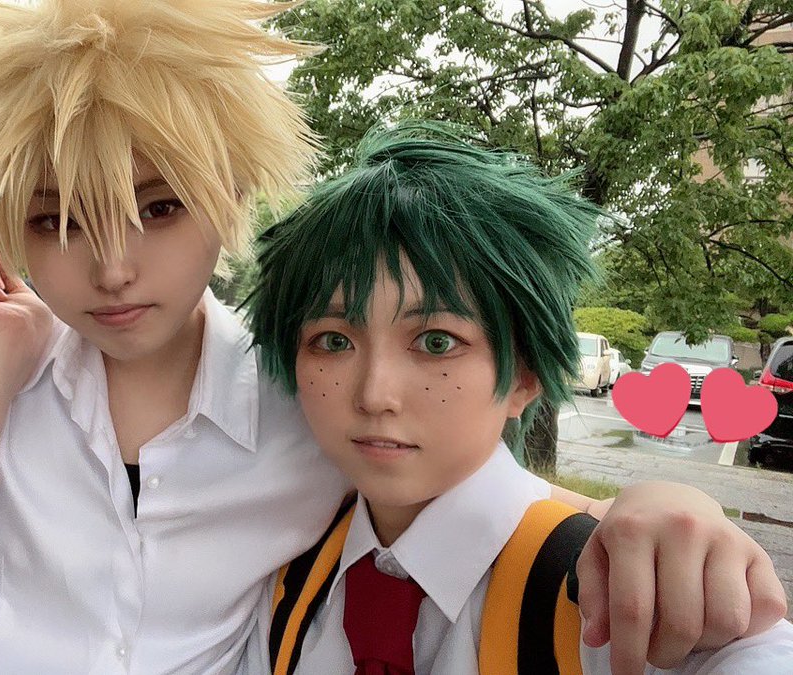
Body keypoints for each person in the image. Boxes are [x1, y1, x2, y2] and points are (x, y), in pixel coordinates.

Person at [0, 1, 787, 673]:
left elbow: (465, 489)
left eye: (159, 207)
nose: (112, 268)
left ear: (230, 195)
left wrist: (664, 503)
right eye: (56, 222)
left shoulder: (303, 393)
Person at [241, 125, 793, 674]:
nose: (374, 395)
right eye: (333, 342)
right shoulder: (285, 584)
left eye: (437, 342)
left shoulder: (607, 598)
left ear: (524, 379)